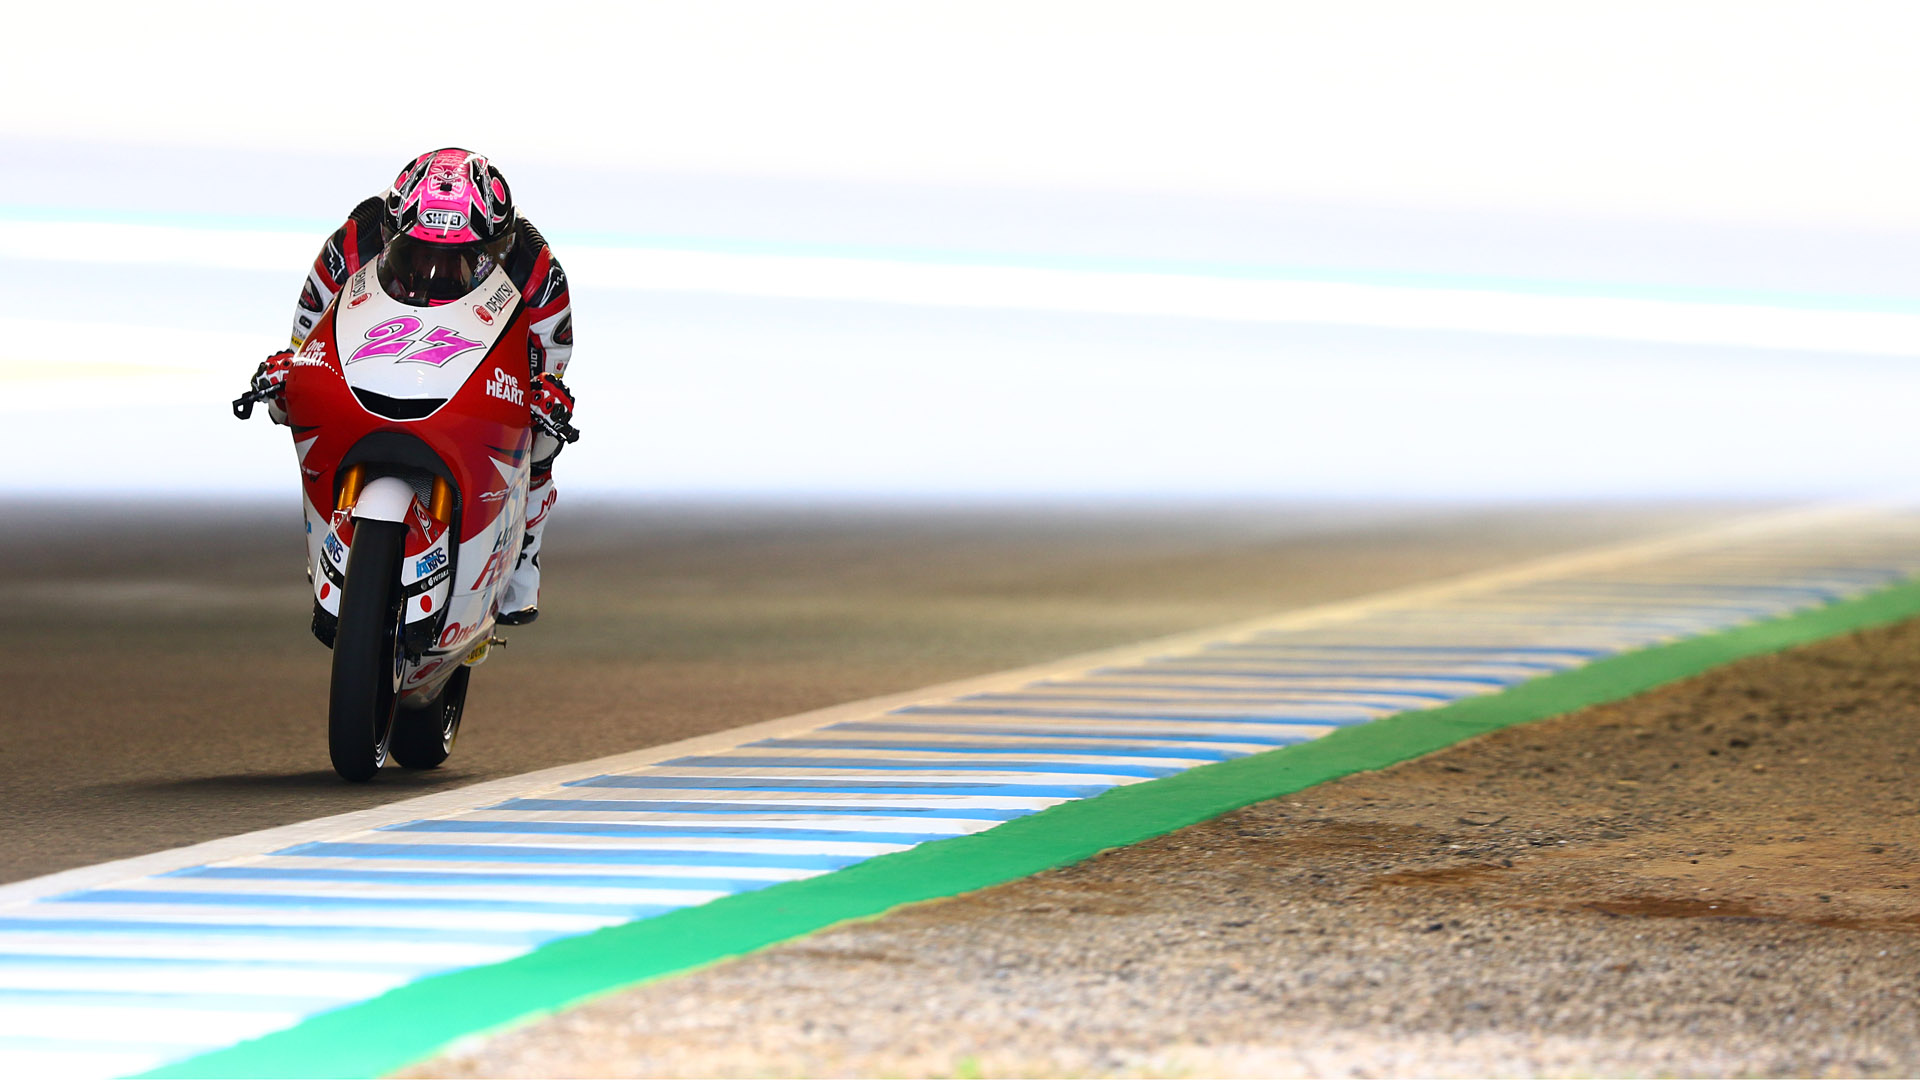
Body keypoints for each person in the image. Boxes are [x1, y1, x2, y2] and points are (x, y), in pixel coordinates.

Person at [249, 148, 575, 625]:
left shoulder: (538, 275)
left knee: (545, 437)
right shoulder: (350, 245)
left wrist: (544, 394)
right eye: (417, 252)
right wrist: (288, 370)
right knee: (283, 403)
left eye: (461, 258)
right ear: (391, 233)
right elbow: (307, 334)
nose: (433, 271)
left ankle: (524, 558)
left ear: (497, 248)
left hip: (476, 362)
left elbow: (550, 366)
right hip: (377, 353)